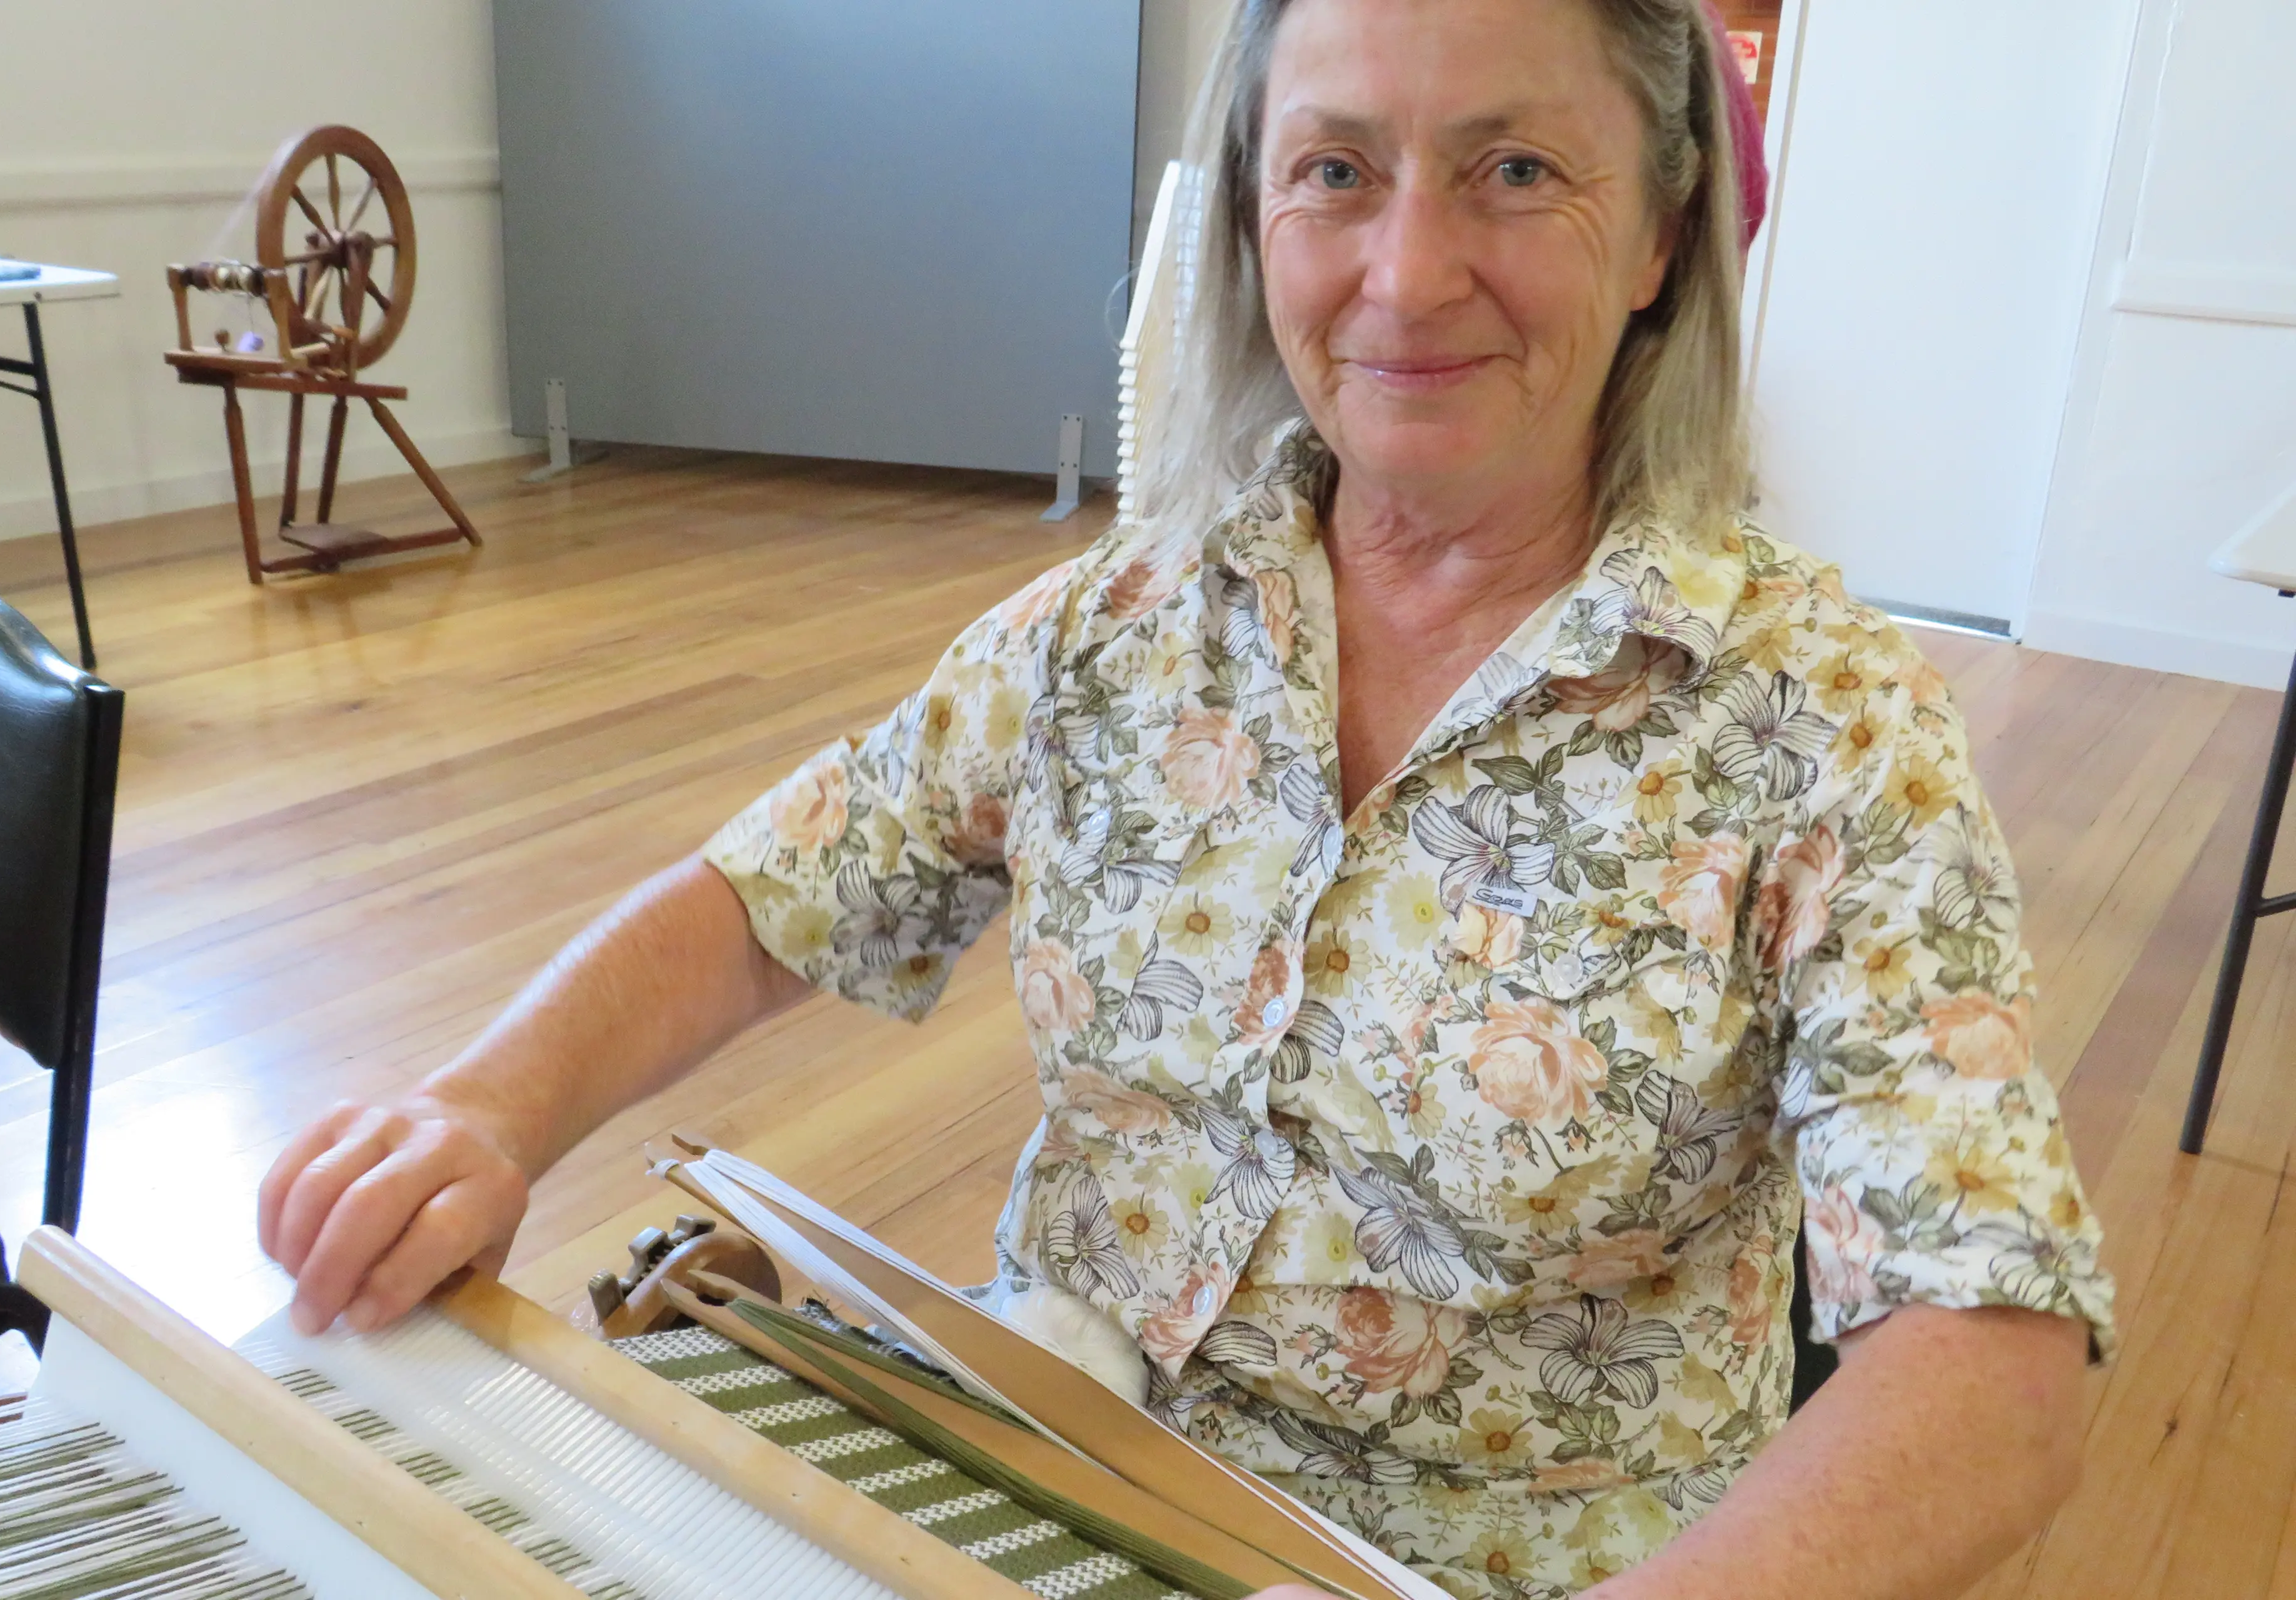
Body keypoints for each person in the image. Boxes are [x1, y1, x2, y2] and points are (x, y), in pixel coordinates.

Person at [258, 1, 2113, 1594]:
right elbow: (778, 889)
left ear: (1658, 232)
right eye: (1333, 172)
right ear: (1253, 217)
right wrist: (485, 1107)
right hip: (1022, 1475)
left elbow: (1997, 1349)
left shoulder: (1823, 719)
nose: (1404, 271)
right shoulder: (1123, 620)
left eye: (1515, 172)